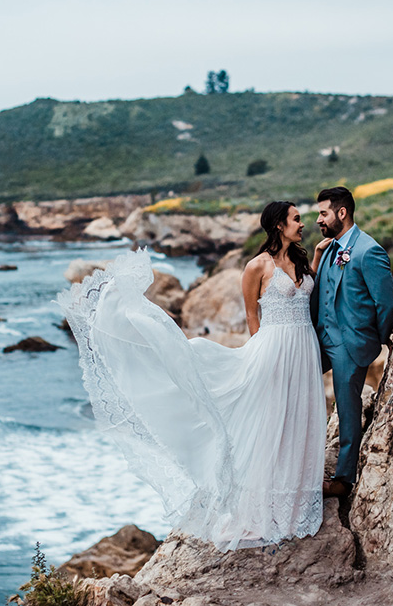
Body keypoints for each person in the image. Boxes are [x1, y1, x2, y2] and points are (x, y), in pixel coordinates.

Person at [58, 201, 327, 551]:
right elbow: (251, 316)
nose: (302, 224)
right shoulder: (255, 266)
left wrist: (320, 255)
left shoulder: (303, 263)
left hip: (303, 348)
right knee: (266, 423)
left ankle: (297, 495)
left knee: (299, 419)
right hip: (273, 350)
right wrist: (263, 357)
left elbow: (313, 294)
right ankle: (260, 505)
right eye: (296, 219)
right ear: (278, 225)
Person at [309, 187, 393, 497]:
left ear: (342, 213)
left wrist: (380, 338)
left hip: (350, 344)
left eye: (323, 213)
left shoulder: (368, 251)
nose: (318, 219)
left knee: (347, 409)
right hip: (321, 339)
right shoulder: (330, 248)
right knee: (292, 388)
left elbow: (386, 303)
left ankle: (343, 479)